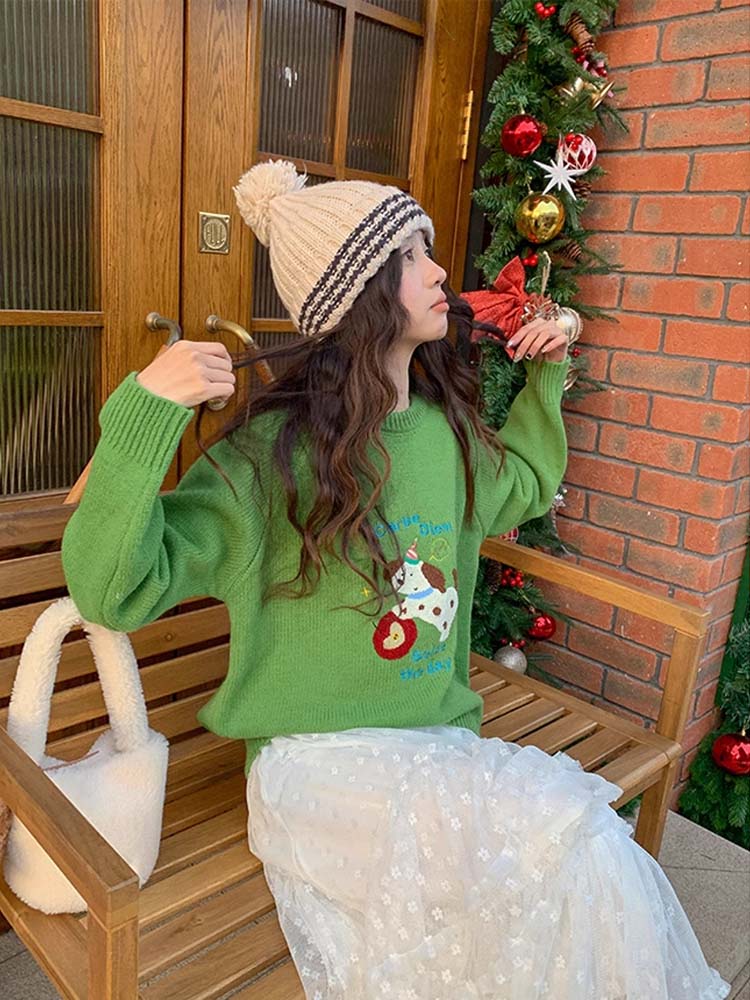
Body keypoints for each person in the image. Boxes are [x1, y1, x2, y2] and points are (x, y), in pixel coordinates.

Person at [61, 159, 730, 1000]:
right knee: (570, 855)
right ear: (362, 295)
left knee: (578, 853)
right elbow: (112, 590)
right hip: (315, 771)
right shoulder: (266, 463)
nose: (441, 271)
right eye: (413, 256)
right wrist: (146, 411)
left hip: (435, 751)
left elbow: (525, 483)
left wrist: (547, 371)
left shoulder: (447, 436)